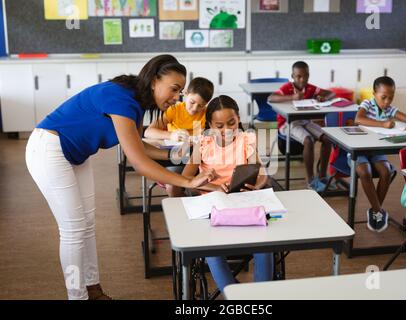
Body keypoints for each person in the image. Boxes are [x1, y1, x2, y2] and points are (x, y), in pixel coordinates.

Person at [25, 54, 217, 300]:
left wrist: (180, 156)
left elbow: (140, 145)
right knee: (73, 229)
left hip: (74, 154)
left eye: (180, 91)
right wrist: (188, 181)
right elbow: (137, 160)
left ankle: (93, 289)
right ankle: (77, 296)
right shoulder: (122, 99)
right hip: (48, 149)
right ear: (154, 80)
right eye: (174, 89)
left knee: (87, 224)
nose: (176, 97)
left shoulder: (134, 101)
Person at [177, 95, 273, 293]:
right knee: (212, 250)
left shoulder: (246, 140)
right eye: (219, 126)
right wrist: (210, 185)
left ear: (238, 118)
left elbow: (261, 172)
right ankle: (233, 294)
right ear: (210, 125)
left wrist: (258, 185)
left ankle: (262, 295)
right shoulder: (203, 144)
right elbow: (187, 179)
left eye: (232, 123)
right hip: (213, 206)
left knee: (265, 245)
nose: (227, 130)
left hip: (244, 201)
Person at [354, 76, 406, 233]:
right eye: (383, 97)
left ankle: (375, 211)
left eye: (391, 97)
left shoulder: (389, 109)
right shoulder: (367, 104)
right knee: (364, 171)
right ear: (374, 93)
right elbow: (358, 119)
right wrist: (382, 124)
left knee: (386, 171)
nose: (387, 101)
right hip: (359, 148)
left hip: (376, 150)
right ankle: (378, 211)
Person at [268, 61, 335, 192]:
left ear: (308, 75)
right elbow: (271, 98)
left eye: (305, 76)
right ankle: (310, 180)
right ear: (292, 76)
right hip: (288, 123)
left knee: (328, 139)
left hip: (304, 121)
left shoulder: (310, 88)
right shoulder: (287, 87)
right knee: (308, 140)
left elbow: (331, 93)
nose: (302, 79)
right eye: (298, 76)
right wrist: (292, 97)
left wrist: (323, 98)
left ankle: (322, 176)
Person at [143, 77, 214, 196]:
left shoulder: (207, 114)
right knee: (173, 185)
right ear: (186, 94)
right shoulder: (174, 110)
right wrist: (171, 135)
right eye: (192, 102)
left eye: (201, 105)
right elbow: (148, 132)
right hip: (175, 159)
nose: (195, 108)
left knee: (206, 183)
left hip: (198, 161)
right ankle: (180, 210)